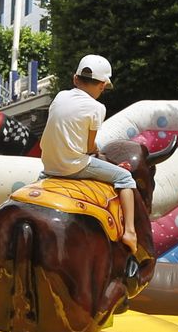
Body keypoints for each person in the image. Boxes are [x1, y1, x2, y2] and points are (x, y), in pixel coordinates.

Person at [38, 54, 138, 254]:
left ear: (75, 79)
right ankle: (130, 232)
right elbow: (89, 146)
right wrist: (96, 151)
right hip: (73, 166)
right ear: (102, 85)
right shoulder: (97, 108)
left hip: (48, 165)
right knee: (125, 178)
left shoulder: (60, 96)